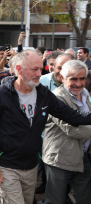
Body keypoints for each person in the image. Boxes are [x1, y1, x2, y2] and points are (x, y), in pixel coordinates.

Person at [0, 50, 91, 204]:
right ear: (19, 69)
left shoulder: (44, 94)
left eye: (41, 68)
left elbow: (73, 116)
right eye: (35, 69)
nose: (40, 73)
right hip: (7, 166)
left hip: (31, 166)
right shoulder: (2, 94)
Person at [43, 60, 91, 204]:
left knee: (85, 199)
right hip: (60, 159)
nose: (78, 83)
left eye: (82, 78)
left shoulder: (85, 93)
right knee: (55, 200)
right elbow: (73, 129)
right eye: (73, 79)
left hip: (83, 157)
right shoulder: (57, 97)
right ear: (62, 78)